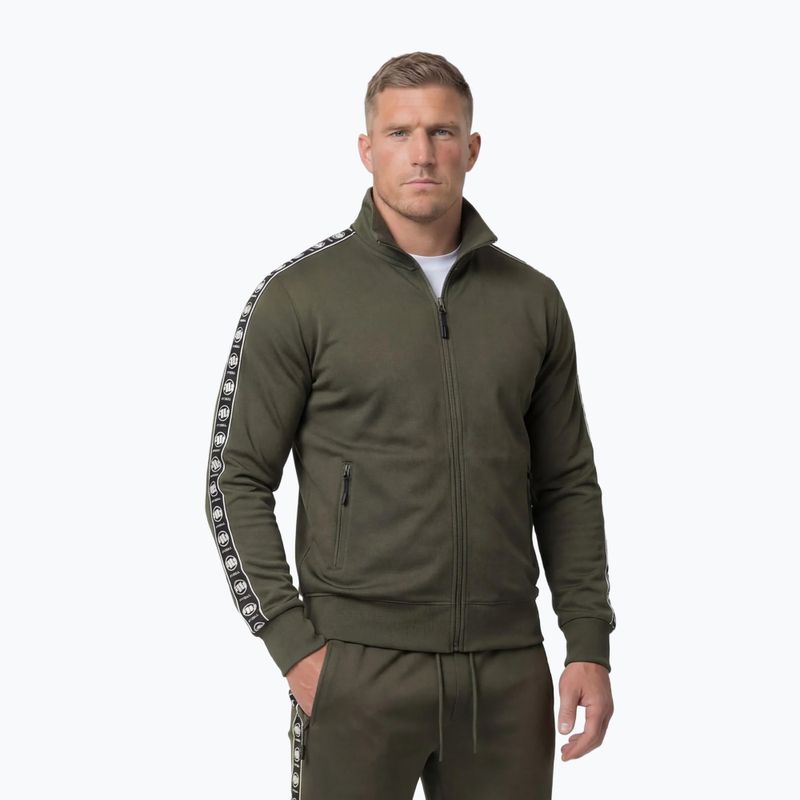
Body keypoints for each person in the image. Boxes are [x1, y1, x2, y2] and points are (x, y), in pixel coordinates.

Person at [204, 51, 616, 800]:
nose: (421, 153)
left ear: (472, 148)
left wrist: (587, 641)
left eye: (441, 131)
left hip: (505, 670)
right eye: (399, 133)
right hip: (357, 665)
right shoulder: (299, 298)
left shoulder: (531, 300)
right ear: (367, 150)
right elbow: (235, 483)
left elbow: (566, 484)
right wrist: (295, 649)